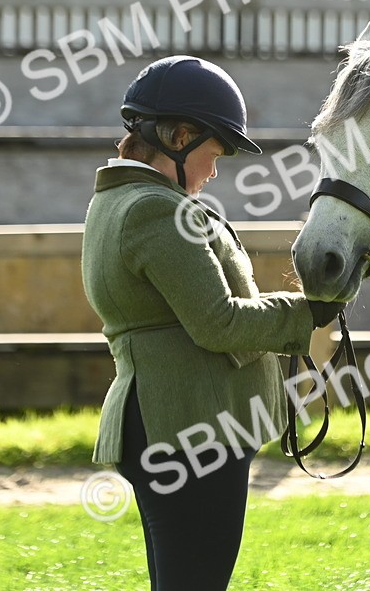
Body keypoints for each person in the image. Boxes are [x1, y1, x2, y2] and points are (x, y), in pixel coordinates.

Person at [81, 55, 343, 590]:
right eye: (213, 153)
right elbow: (217, 324)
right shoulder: (155, 211)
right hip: (189, 428)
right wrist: (310, 314)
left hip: (175, 425)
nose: (215, 170)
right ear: (178, 136)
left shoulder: (121, 202)